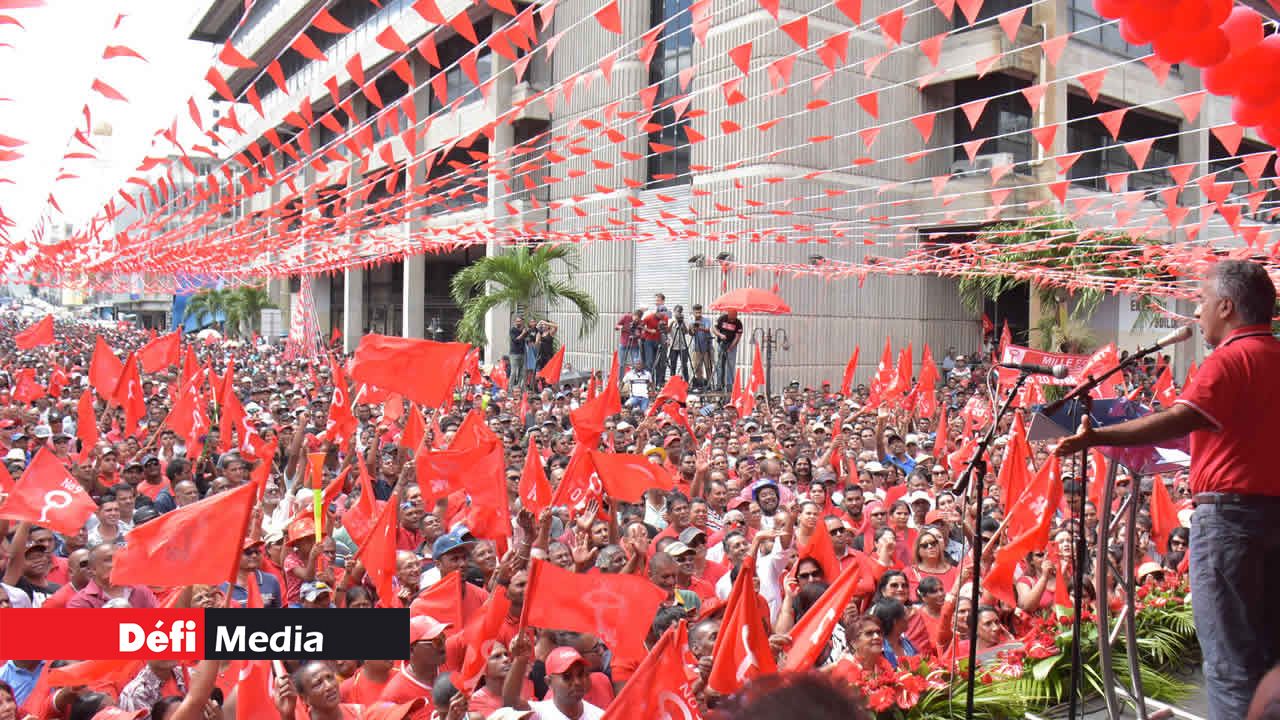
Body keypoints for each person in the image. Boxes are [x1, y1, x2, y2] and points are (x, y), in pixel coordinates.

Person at [1057, 260, 1280, 720]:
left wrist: (1099, 436)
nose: (1197, 314)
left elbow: (1183, 418)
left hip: (1232, 525)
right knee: (1267, 657)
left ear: (1226, 305)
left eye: (1200, 302)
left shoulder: (1232, 358)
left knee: (1232, 665)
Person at [713, 308, 743, 392]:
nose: (733, 318)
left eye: (734, 316)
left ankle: (729, 385)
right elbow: (714, 329)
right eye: (731, 316)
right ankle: (719, 384)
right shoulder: (722, 318)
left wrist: (732, 346)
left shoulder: (738, 323)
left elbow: (738, 336)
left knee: (730, 366)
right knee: (720, 365)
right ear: (728, 314)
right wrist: (720, 335)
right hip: (721, 344)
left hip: (731, 345)